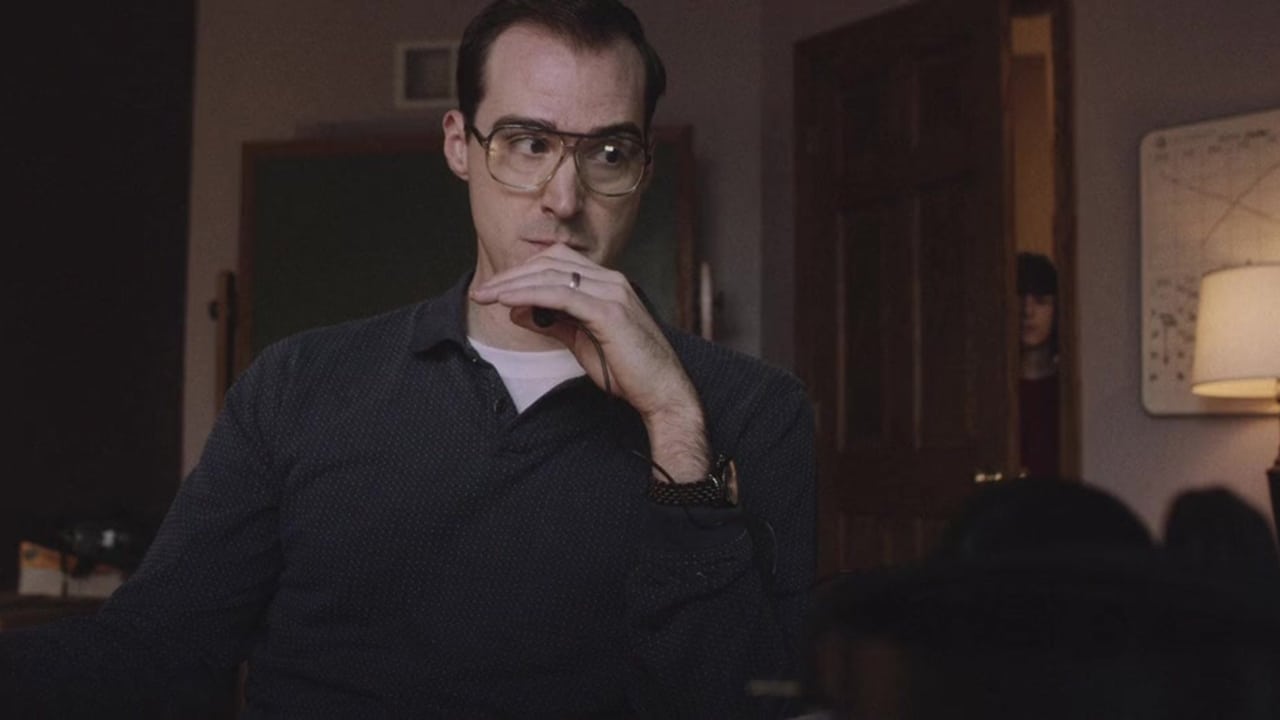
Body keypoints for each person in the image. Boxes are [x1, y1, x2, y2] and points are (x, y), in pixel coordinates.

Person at [0, 1, 816, 717]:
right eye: (528, 143)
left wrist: (674, 425)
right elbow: (152, 651)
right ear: (460, 145)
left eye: (607, 153)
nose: (564, 199)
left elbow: (748, 706)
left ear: (642, 169)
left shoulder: (751, 410)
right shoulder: (297, 384)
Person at [1016, 252, 1060, 478]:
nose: (1028, 312)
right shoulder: (991, 389)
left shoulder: (1066, 389)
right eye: (1020, 298)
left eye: (1040, 301)